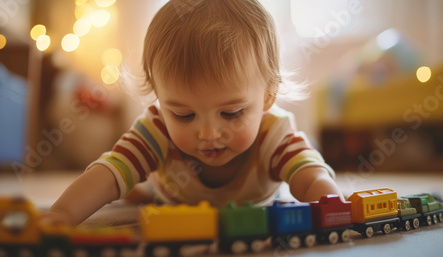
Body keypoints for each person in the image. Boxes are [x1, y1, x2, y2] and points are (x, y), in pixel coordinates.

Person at [40, 0, 343, 227]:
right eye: (184, 115)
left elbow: (309, 175)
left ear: (267, 97)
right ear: (160, 99)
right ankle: (146, 186)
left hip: (253, 210)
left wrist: (329, 201)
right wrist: (61, 214)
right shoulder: (156, 130)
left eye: (231, 113)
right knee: (136, 183)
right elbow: (108, 174)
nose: (209, 133)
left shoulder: (272, 133)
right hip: (172, 198)